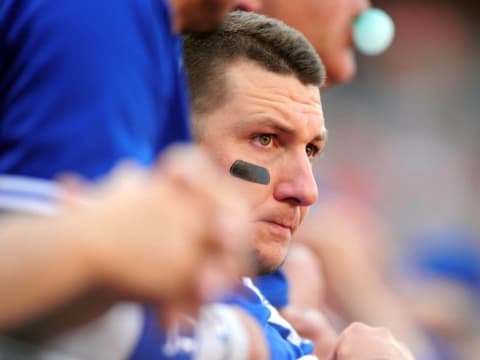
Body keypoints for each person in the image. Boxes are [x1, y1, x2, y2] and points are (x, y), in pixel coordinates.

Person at [0, 0, 268, 358]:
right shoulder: (103, 11)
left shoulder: (155, 31)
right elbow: (43, 321)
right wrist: (240, 342)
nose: (253, 5)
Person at [183, 10, 414, 360]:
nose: (307, 191)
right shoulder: (129, 306)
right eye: (266, 139)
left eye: (311, 150)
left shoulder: (280, 306)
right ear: (176, 139)